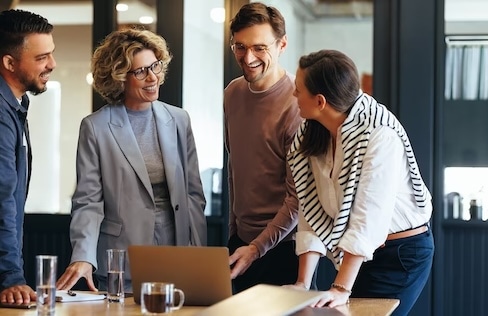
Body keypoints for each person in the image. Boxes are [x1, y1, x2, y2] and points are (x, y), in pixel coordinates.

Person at [56, 28, 207, 292]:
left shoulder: (179, 119)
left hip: (177, 255)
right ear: (119, 77)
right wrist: (83, 256)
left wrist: (198, 255)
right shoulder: (96, 127)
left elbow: (194, 195)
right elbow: (88, 201)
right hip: (121, 258)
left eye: (155, 66)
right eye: (140, 71)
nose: (152, 78)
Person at [286, 49, 434, 316]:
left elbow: (370, 218)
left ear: (320, 101)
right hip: (358, 254)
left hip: (400, 255)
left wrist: (341, 288)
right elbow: (310, 206)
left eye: (298, 90)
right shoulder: (313, 131)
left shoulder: (379, 134)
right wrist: (302, 284)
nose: (293, 95)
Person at [224, 2, 304, 293]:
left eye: (260, 47)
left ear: (282, 45)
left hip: (285, 250)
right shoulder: (232, 93)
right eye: (240, 47)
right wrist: (235, 235)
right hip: (240, 244)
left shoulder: (298, 104)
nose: (248, 58)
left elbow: (298, 199)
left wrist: (257, 248)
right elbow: (235, 167)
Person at [0, 9, 56, 305]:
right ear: (9, 62)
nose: (52, 64)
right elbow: (2, 196)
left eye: (51, 54)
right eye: (41, 58)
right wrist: (10, 277)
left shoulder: (16, 104)